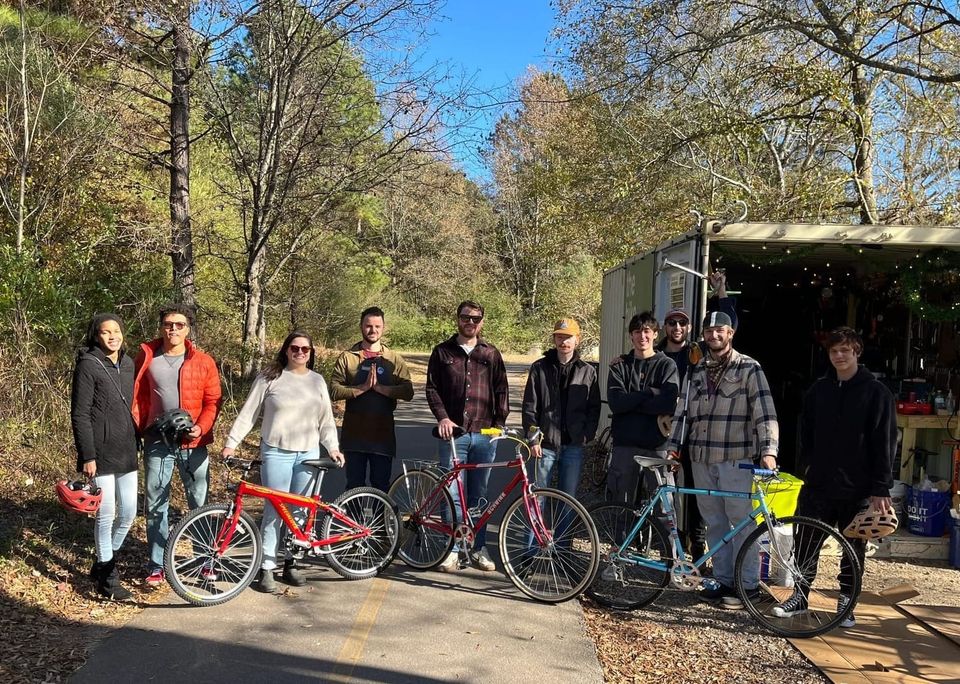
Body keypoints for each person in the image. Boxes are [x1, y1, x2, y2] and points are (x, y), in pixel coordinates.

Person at [772, 327, 896, 627]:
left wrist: (881, 486)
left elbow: (886, 441)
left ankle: (846, 602)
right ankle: (800, 596)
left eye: (845, 350)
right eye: (834, 351)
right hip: (820, 483)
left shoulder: (876, 392)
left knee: (853, 547)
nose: (839, 356)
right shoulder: (819, 390)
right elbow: (806, 433)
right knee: (806, 542)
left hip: (859, 485)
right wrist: (806, 468)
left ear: (857, 351)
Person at [668, 311, 778, 609]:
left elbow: (765, 413)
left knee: (741, 522)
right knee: (715, 523)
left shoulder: (749, 368)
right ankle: (723, 579)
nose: (714, 335)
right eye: (709, 331)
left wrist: (769, 451)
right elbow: (683, 411)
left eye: (720, 330)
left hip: (735, 459)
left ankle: (749, 587)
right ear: (703, 334)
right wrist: (673, 446)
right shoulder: (697, 369)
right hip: (701, 458)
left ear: (730, 333)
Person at [222, 331, 344, 592]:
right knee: (275, 510)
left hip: (308, 454)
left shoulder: (317, 381)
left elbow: (325, 421)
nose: (300, 353)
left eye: (305, 349)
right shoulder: (270, 376)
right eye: (295, 348)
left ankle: (292, 562)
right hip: (276, 451)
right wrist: (231, 443)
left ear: (311, 354)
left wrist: (332, 447)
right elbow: (249, 412)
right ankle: (266, 566)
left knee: (299, 511)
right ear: (286, 350)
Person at [132, 304, 222, 586]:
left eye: (179, 325)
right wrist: (140, 426)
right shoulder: (147, 356)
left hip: (193, 443)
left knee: (198, 502)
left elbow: (213, 401)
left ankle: (205, 559)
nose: (173, 329)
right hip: (158, 441)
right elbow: (136, 393)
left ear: (188, 328)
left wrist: (200, 428)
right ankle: (156, 565)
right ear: (161, 327)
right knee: (157, 504)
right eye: (168, 324)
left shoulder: (203, 360)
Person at [657, 271, 738, 561]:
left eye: (682, 322)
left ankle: (698, 548)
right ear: (664, 327)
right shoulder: (654, 355)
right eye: (671, 322)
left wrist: (722, 292)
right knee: (665, 494)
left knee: (694, 496)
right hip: (664, 435)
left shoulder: (699, 352)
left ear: (689, 327)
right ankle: (668, 547)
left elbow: (728, 325)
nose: (677, 327)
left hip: (694, 436)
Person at [425, 300, 509, 572]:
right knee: (451, 494)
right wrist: (443, 418)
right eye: (465, 317)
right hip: (454, 436)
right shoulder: (442, 352)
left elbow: (501, 391)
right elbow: (432, 389)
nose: (470, 322)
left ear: (482, 322)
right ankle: (452, 548)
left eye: (475, 318)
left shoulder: (491, 354)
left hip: (484, 435)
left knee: (479, 494)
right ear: (457, 319)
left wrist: (499, 423)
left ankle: (478, 547)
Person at [70, 313, 139, 600]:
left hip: (127, 449)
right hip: (100, 454)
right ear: (96, 336)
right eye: (105, 332)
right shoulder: (88, 365)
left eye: (116, 331)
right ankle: (108, 577)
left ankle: (101, 562)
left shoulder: (128, 363)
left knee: (128, 514)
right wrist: (87, 455)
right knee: (107, 514)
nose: (112, 336)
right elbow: (80, 413)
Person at [330, 307, 414, 492]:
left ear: (383, 328)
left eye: (377, 326)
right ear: (361, 327)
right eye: (368, 326)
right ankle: (353, 521)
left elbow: (408, 391)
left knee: (381, 487)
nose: (373, 330)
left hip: (382, 436)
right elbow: (334, 390)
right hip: (354, 435)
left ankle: (380, 522)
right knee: (354, 486)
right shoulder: (347, 357)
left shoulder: (393, 359)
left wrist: (381, 389)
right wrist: (361, 389)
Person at [521, 318, 601, 498]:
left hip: (574, 444)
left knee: (568, 497)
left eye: (568, 337)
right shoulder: (539, 368)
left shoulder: (587, 371)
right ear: (554, 339)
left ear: (577, 340)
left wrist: (587, 434)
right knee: (538, 496)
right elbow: (529, 407)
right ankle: (534, 528)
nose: (563, 341)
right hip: (545, 444)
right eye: (559, 337)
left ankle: (564, 528)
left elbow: (593, 407)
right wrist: (533, 439)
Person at [606, 312, 679, 505]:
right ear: (631, 336)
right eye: (637, 332)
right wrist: (648, 393)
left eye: (647, 331)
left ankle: (664, 537)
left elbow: (668, 403)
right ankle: (623, 537)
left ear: (656, 334)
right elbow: (616, 403)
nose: (642, 336)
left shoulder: (667, 365)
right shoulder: (620, 366)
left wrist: (631, 401)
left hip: (656, 446)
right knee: (622, 503)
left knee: (663, 506)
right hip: (625, 444)